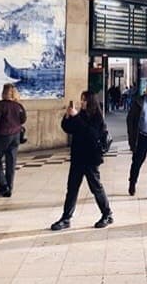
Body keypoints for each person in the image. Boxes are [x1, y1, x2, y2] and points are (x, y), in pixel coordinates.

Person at [51, 91, 113, 230]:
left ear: (90, 101)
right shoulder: (81, 114)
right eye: (81, 100)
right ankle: (66, 218)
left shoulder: (97, 117)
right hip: (78, 157)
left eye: (84, 100)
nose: (81, 103)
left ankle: (107, 214)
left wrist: (76, 116)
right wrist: (67, 116)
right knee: (72, 188)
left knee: (96, 188)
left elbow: (92, 134)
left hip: (91, 158)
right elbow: (67, 128)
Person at [0, 83, 27, 198]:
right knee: (11, 163)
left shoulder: (0, 105)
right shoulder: (19, 106)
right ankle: (10, 188)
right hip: (16, 136)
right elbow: (23, 120)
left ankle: (3, 186)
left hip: (3, 136)